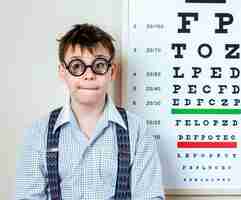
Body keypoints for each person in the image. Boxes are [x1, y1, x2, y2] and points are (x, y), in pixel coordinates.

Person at [16, 23, 164, 200]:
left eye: (99, 65)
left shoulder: (137, 131)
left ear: (112, 71)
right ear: (63, 72)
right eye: (77, 66)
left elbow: (150, 196)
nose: (89, 75)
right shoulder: (39, 133)